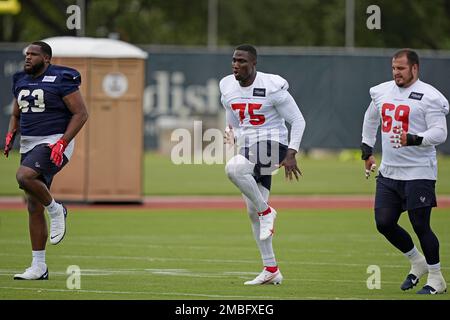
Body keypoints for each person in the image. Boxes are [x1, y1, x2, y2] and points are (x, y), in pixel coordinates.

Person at [361, 49, 448, 294]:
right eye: (393, 68)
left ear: (415, 69)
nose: (396, 73)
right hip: (390, 172)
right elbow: (370, 119)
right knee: (384, 223)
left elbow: (440, 133)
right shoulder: (381, 91)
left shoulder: (430, 96)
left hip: (419, 171)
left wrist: (414, 138)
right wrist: (367, 150)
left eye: (401, 68)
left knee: (421, 226)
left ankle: (436, 278)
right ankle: (417, 262)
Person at [220, 44, 306, 285]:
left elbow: (298, 121)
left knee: (233, 168)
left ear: (254, 64)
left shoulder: (272, 86)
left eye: (242, 61)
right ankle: (271, 269)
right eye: (234, 60)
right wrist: (230, 132)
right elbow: (233, 120)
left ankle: (268, 211)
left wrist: (291, 153)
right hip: (250, 147)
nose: (236, 65)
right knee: (252, 211)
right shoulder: (227, 85)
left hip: (274, 143)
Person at [3, 41, 88, 280]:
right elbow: (16, 112)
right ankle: (39, 266)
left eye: (33, 54)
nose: (28, 58)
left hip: (53, 140)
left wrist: (62, 142)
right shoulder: (20, 79)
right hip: (29, 142)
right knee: (32, 205)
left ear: (47, 59)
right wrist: (12, 132)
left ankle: (57, 209)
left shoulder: (62, 77)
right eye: (26, 54)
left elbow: (81, 113)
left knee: (23, 176)